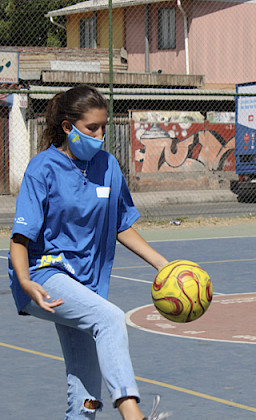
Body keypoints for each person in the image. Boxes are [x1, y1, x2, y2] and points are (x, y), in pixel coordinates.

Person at [9, 85, 171, 420]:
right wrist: (25, 282)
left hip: (86, 287)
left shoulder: (108, 166)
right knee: (110, 319)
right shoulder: (43, 169)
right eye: (91, 128)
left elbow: (121, 224)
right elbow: (20, 237)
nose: (100, 135)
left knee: (86, 396)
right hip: (45, 276)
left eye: (103, 128)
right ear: (68, 127)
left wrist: (161, 263)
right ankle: (132, 412)